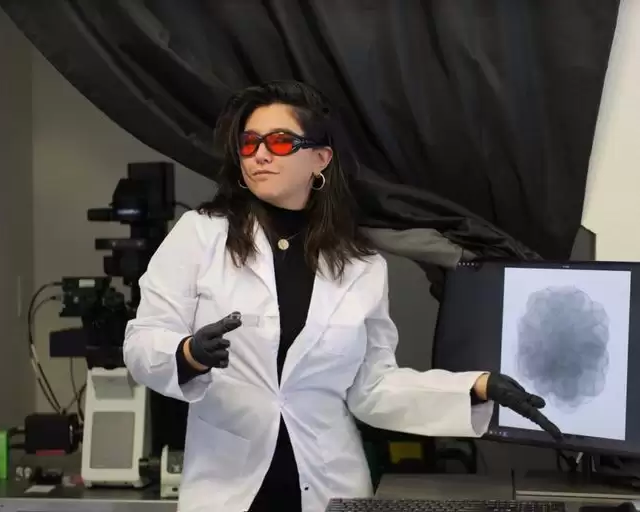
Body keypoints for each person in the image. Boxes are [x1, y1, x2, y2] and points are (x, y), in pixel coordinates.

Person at [123, 80, 561, 512]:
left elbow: (372, 387)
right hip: (226, 488)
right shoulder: (200, 236)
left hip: (327, 485)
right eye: (249, 143)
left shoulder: (361, 265)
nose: (259, 154)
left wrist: (476, 386)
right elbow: (142, 342)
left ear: (321, 158)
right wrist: (189, 354)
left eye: (279, 142)